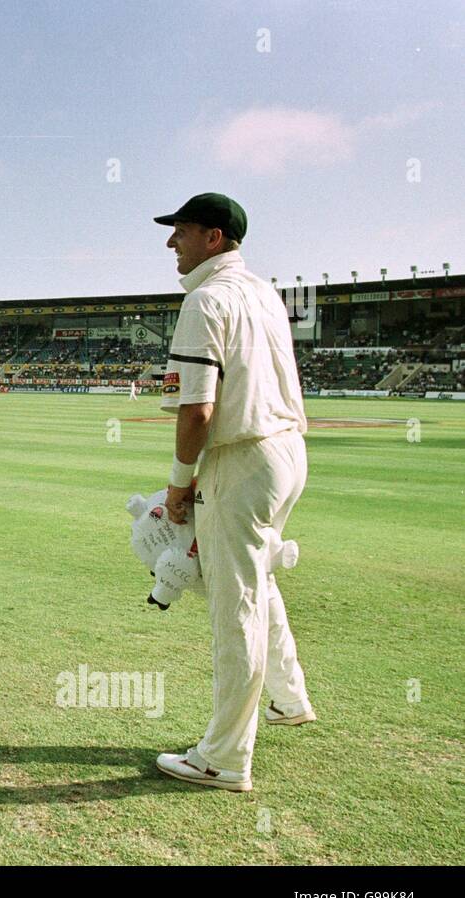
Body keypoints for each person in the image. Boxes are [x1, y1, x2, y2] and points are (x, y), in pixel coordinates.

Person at [152, 193, 311, 793]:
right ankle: (290, 698)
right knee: (259, 580)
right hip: (289, 449)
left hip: (243, 456)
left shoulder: (206, 299)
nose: (172, 243)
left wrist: (177, 486)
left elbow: (197, 410)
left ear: (213, 238)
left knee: (234, 601)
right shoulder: (265, 292)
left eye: (182, 232)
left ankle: (223, 757)